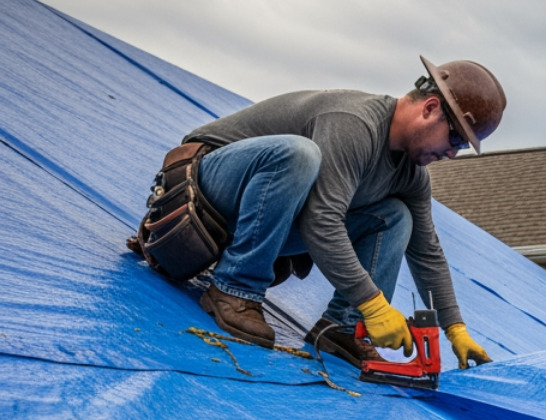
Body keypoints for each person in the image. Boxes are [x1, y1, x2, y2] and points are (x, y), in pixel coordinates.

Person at [170, 56, 500, 368]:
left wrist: (454, 327)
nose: (453, 153)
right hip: (201, 187)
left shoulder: (411, 175)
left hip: (260, 216)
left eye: (463, 146)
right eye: (455, 137)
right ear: (429, 108)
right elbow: (321, 221)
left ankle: (344, 328)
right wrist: (375, 304)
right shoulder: (354, 124)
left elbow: (427, 252)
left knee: (397, 216)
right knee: (300, 154)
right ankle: (234, 288)